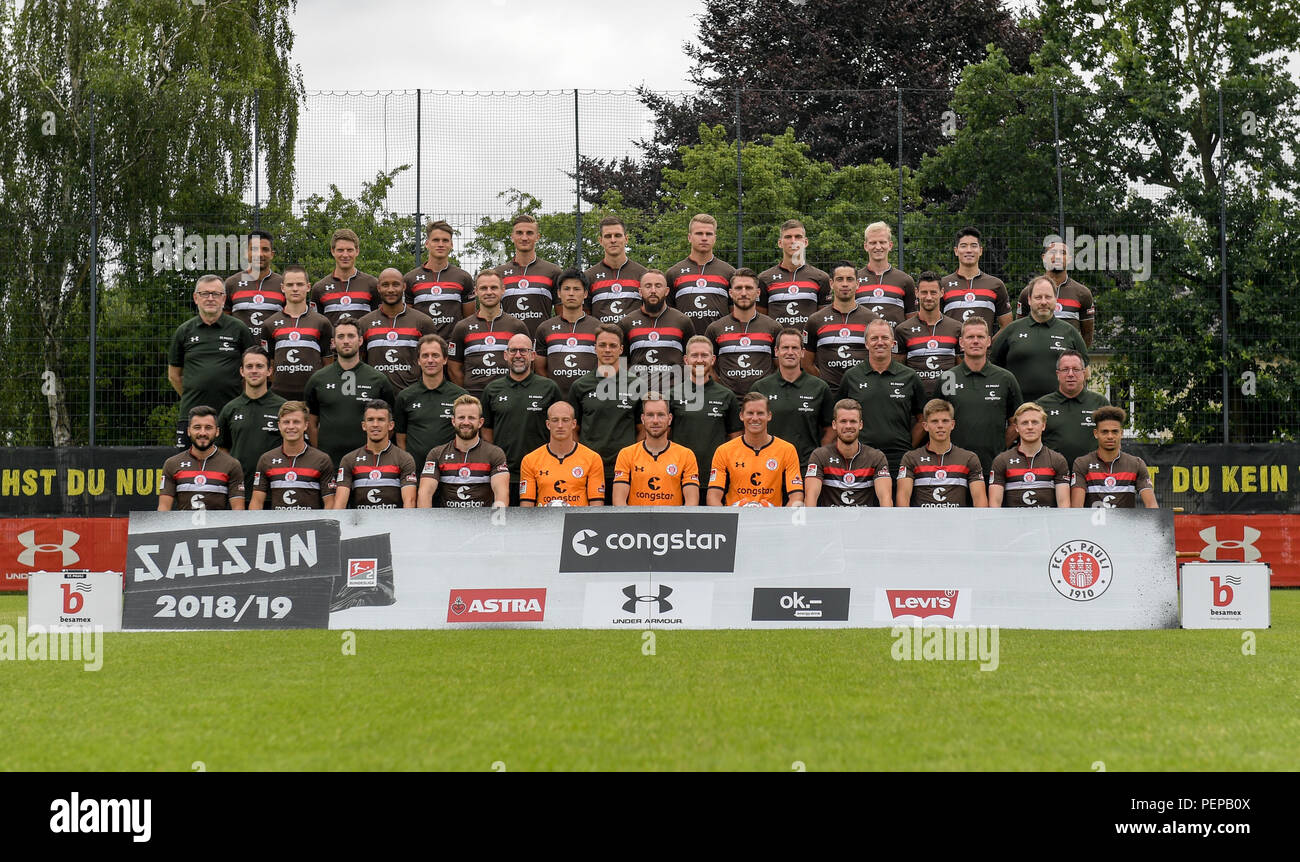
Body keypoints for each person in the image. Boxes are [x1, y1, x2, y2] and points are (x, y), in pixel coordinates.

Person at [167, 274, 256, 444]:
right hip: (192, 416)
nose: (210, 299)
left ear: (223, 299)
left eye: (215, 294)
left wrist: (241, 400)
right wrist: (194, 395)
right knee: (191, 468)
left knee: (232, 467)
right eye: (204, 294)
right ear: (195, 298)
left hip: (231, 415)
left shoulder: (239, 329)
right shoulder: (184, 331)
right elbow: (174, 375)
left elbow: (251, 371)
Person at [836, 318, 927, 474]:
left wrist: (908, 446)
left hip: (898, 458)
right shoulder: (851, 377)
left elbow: (923, 419)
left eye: (885, 338)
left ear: (893, 343)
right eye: (874, 338)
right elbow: (838, 418)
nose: (880, 342)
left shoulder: (909, 376)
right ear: (866, 343)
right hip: (860, 456)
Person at [303, 317, 397, 467]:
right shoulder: (318, 379)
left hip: (369, 463)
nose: (346, 341)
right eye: (341, 336)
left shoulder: (378, 379)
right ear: (333, 342)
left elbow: (391, 424)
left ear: (360, 341)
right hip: (329, 463)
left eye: (351, 336)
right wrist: (321, 452)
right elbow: (310, 423)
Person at [482, 333, 562, 505]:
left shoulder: (549, 387)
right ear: (505, 355)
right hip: (504, 475)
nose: (518, 355)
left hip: (541, 473)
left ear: (533, 355)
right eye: (513, 351)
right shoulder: (492, 389)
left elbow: (559, 429)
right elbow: (487, 431)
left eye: (523, 351)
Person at [943, 317, 1024, 474]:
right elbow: (937, 421)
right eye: (970, 337)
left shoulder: (1005, 378)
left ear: (988, 341)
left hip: (994, 467)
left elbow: (1017, 422)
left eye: (980, 337)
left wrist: (1000, 447)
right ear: (961, 342)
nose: (975, 341)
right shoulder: (948, 378)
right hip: (955, 466)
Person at [568, 324, 640, 498]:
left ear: (621, 349)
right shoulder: (580, 385)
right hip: (589, 470)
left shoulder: (636, 384)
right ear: (595, 348)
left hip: (625, 471)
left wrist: (629, 459)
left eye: (613, 345)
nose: (607, 350)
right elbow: (573, 431)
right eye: (602, 345)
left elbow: (642, 430)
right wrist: (584, 458)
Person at [991, 275, 1089, 402]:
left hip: (1060, 409)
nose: (1043, 302)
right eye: (1038, 297)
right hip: (1019, 411)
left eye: (1048, 297)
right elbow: (994, 368)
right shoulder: (1011, 331)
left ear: (1056, 299)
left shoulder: (1070, 332)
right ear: (1030, 300)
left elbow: (1085, 372)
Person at [750, 328, 835, 468]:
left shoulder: (819, 387)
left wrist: (820, 453)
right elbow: (750, 427)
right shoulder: (760, 388)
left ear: (802, 352)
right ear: (776, 351)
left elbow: (831, 428)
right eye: (785, 348)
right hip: (768, 466)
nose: (790, 352)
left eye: (795, 348)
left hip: (806, 467)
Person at [707, 392, 804, 507]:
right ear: (741, 416)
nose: (755, 418)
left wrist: (781, 519)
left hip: (771, 520)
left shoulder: (787, 450)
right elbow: (713, 496)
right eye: (750, 413)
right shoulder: (724, 451)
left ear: (769, 416)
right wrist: (727, 520)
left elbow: (796, 496)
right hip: (736, 517)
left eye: (760, 413)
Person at [446, 269, 528, 398]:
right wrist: (468, 395)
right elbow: (453, 368)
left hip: (509, 396)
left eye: (494, 288)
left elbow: (528, 364)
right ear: (476, 292)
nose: (489, 292)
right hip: (474, 399)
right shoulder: (462, 327)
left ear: (503, 290)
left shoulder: (517, 326)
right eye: (483, 288)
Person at [417, 394, 509, 508]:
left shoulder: (495, 453)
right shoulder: (436, 454)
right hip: (447, 522)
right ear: (453, 421)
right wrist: (426, 524)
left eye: (471, 418)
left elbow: (501, 493)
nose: (466, 422)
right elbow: (425, 493)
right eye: (461, 417)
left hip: (482, 522)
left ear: (480, 422)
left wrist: (497, 523)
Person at [670, 336, 742, 479]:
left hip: (717, 476)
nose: (699, 360)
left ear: (713, 359)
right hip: (679, 475)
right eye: (694, 355)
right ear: (686, 360)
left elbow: (736, 440)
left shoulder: (726, 396)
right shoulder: (672, 395)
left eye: (704, 355)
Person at [395, 333, 468, 469]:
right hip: (416, 472)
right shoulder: (405, 397)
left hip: (451, 472)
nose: (430, 360)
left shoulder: (460, 396)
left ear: (445, 359)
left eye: (435, 355)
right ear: (418, 360)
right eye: (425, 355)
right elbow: (401, 440)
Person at [356, 267, 437, 391]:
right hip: (375, 397)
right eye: (385, 285)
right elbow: (359, 362)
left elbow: (433, 363)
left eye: (395, 285)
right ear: (378, 288)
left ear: (404, 287)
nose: (390, 290)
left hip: (412, 397)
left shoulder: (423, 322)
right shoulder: (364, 323)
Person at [895, 399, 987, 508]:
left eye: (945, 421)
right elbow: (903, 499)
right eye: (934, 421)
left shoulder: (969, 458)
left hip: (958, 523)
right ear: (925, 426)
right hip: (922, 523)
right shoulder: (911, 458)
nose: (940, 425)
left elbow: (980, 500)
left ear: (952, 424)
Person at [704, 268, 782, 394]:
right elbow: (708, 368)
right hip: (728, 403)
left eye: (749, 288)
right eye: (738, 288)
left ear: (758, 293)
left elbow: (781, 366)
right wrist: (722, 392)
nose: (744, 293)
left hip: (763, 403)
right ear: (730, 292)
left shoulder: (773, 327)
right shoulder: (715, 328)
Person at [612, 396, 701, 506]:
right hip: (636, 521)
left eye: (660, 415)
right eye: (650, 415)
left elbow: (691, 502)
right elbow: (618, 502)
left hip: (672, 522)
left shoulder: (686, 455)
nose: (655, 420)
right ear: (642, 419)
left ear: (669, 419)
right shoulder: (626, 454)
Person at [248, 401, 336, 510]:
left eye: (296, 422)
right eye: (286, 422)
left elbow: (330, 503)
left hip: (310, 525)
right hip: (278, 526)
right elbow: (257, 501)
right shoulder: (266, 459)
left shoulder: (322, 459)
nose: (291, 426)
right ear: (279, 425)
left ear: (306, 425)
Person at [804, 399, 893, 507]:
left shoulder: (876, 457)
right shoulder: (820, 456)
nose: (848, 426)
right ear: (834, 424)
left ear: (860, 424)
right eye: (843, 421)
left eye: (853, 421)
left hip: (865, 522)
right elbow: (810, 497)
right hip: (830, 522)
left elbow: (885, 498)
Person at [804, 260, 879, 388]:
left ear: (857, 284)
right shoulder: (815, 320)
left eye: (849, 279)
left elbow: (879, 359)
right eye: (840, 279)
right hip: (829, 393)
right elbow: (806, 362)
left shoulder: (872, 320)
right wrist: (823, 384)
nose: (845, 284)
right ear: (831, 284)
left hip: (863, 390)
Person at [331, 400, 418, 509]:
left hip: (394, 523)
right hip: (360, 523)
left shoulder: (404, 458)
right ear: (364, 425)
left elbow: (409, 502)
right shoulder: (349, 459)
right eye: (370, 420)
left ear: (390, 425)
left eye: (381, 420)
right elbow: (340, 503)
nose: (375, 424)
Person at [265, 264, 333, 401]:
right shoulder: (269, 324)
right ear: (282, 288)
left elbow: (328, 364)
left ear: (308, 287)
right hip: (279, 397)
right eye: (290, 285)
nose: (295, 289)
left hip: (312, 397)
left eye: (300, 284)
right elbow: (269, 365)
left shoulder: (322, 323)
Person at [217, 346, 286, 483]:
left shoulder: (283, 408)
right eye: (249, 366)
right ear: (242, 371)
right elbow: (221, 449)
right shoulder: (230, 409)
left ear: (269, 371)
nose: (254, 371)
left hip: (275, 488)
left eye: (259, 366)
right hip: (240, 490)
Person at [518, 401, 606, 506]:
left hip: (579, 521)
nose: (560, 425)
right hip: (544, 521)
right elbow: (527, 507)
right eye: (555, 420)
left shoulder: (592, 458)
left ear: (573, 424)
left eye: (565, 420)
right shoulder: (530, 460)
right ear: (548, 424)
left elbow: (596, 507)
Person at [158, 406, 245, 510]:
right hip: (183, 526)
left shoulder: (232, 464)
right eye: (197, 427)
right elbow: (163, 509)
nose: (202, 433)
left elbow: (238, 511)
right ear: (188, 431)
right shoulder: (172, 463)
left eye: (208, 427)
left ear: (217, 431)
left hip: (218, 526)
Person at [1070, 406, 1158, 509]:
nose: (1110, 436)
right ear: (1096, 433)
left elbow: (1152, 506)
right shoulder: (1082, 463)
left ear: (1121, 433)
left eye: (1115, 431)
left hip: (1126, 524)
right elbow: (1076, 509)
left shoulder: (1136, 464)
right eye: (1105, 432)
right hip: (1092, 524)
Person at [988, 402, 1071, 508]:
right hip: (1012, 523)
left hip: (1047, 523)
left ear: (1043, 425)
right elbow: (994, 505)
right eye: (1024, 423)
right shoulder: (1002, 460)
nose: (1030, 427)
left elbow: (1064, 505)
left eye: (1035, 422)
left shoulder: (1057, 460)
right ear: (1017, 427)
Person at [404, 219, 476, 340]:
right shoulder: (410, 278)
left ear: (451, 244)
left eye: (445, 240)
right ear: (427, 243)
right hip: (423, 348)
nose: (441, 244)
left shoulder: (463, 277)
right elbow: (408, 319)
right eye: (436, 240)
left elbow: (469, 319)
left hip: (452, 347)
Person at [893, 271, 962, 397]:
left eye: (933, 292)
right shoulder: (902, 329)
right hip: (916, 400)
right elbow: (898, 371)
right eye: (924, 292)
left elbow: (961, 369)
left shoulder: (957, 328)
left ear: (942, 292)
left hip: (948, 399)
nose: (929, 297)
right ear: (916, 292)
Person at [533, 269, 600, 396]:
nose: (571, 293)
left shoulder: (598, 327)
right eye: (566, 289)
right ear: (558, 293)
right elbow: (540, 368)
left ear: (585, 294)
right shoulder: (545, 328)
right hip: (557, 400)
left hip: (590, 398)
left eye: (576, 289)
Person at [1017, 238, 1095, 346]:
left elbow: (1087, 334)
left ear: (1069, 259)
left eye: (1062, 253)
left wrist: (1077, 358)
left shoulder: (1083, 293)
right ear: (1044, 258)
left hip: (1067, 360)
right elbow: (1020, 330)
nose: (1057, 256)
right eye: (1052, 252)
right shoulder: (1028, 292)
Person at [1038, 350, 1111, 466]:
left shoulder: (1100, 403)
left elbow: (1113, 440)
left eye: (1076, 369)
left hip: (1092, 475)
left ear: (1084, 373)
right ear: (1058, 374)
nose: (1070, 374)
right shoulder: (1042, 405)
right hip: (1052, 475)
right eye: (1065, 369)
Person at [618, 269, 692, 382]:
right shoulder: (626, 323)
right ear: (640, 291)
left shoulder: (683, 321)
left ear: (667, 291)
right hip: (638, 392)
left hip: (674, 393)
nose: (653, 290)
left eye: (658, 286)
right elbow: (621, 362)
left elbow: (691, 361)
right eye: (648, 286)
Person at [668, 213, 736, 335]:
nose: (704, 238)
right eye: (699, 233)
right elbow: (668, 314)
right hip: (685, 343)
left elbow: (735, 313)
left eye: (709, 234)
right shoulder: (673, 273)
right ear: (689, 237)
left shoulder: (729, 272)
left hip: (719, 342)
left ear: (715, 237)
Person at [497, 213, 563, 336]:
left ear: (537, 237)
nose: (524, 237)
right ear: (512, 237)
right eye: (519, 233)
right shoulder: (499, 273)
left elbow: (563, 316)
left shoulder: (553, 271)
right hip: (508, 345)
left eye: (529, 233)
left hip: (541, 345)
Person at [757, 218, 829, 330]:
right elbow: (761, 319)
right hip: (778, 346)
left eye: (798, 237)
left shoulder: (821, 277)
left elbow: (824, 319)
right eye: (788, 237)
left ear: (805, 242)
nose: (793, 241)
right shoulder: (764, 278)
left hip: (807, 346)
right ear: (780, 243)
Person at [940, 227, 1011, 334]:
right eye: (963, 246)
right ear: (956, 251)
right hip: (951, 350)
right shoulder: (942, 284)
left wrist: (991, 345)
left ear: (980, 250)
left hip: (984, 350)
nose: (969, 250)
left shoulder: (996, 284)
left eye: (973, 246)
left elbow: (1007, 325)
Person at [224, 229, 283, 347]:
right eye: (254, 249)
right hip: (240, 353)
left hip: (274, 354)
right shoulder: (232, 283)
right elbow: (224, 321)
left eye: (265, 249)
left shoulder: (284, 284)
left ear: (272, 254)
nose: (260, 254)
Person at [584, 216, 647, 324]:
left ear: (626, 239)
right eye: (608, 236)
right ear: (600, 240)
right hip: (602, 339)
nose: (613, 240)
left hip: (633, 339)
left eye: (617, 235)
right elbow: (585, 315)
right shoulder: (588, 276)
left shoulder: (643, 274)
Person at [310, 228, 379, 327]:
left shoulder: (372, 284)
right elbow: (317, 324)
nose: (345, 255)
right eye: (340, 250)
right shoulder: (319, 288)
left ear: (357, 251)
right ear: (333, 251)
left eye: (350, 250)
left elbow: (378, 321)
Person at [855, 222, 916, 327]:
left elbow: (912, 319)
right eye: (873, 243)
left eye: (882, 242)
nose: (878, 247)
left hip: (895, 342)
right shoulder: (854, 278)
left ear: (890, 245)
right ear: (865, 246)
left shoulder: (905, 280)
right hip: (862, 341)